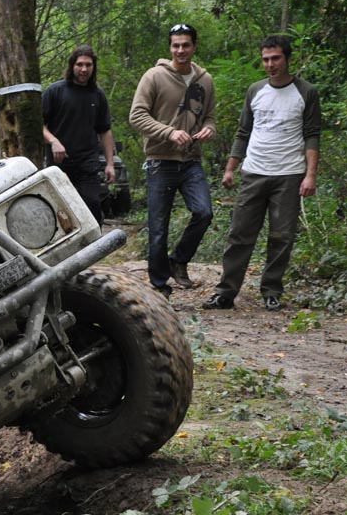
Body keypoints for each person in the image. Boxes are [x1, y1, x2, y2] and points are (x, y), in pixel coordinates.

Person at [203, 35, 321, 312]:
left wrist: (310, 175)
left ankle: (271, 291)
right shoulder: (255, 90)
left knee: (282, 235)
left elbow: (312, 135)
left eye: (276, 58)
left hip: (289, 173)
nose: (270, 64)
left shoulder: (306, 92)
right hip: (254, 171)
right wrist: (231, 168)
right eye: (266, 59)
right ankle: (226, 292)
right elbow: (243, 132)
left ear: (287, 59)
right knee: (240, 234)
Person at [129, 23, 217, 296]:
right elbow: (137, 116)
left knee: (204, 212)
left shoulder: (205, 80)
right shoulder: (154, 76)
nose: (181, 50)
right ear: (170, 48)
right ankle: (159, 284)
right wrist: (168, 132)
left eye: (186, 45)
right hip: (160, 160)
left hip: (191, 160)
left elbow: (210, 116)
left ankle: (178, 260)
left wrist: (210, 129)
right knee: (158, 227)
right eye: (176, 45)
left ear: (194, 46)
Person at [42, 44, 116, 225]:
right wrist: (53, 141)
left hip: (88, 162)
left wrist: (110, 164)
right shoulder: (55, 91)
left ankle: (95, 248)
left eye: (88, 65)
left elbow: (105, 130)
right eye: (80, 64)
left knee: (92, 205)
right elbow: (39, 125)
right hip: (59, 163)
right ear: (72, 66)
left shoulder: (97, 95)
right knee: (60, 209)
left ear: (93, 67)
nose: (84, 69)